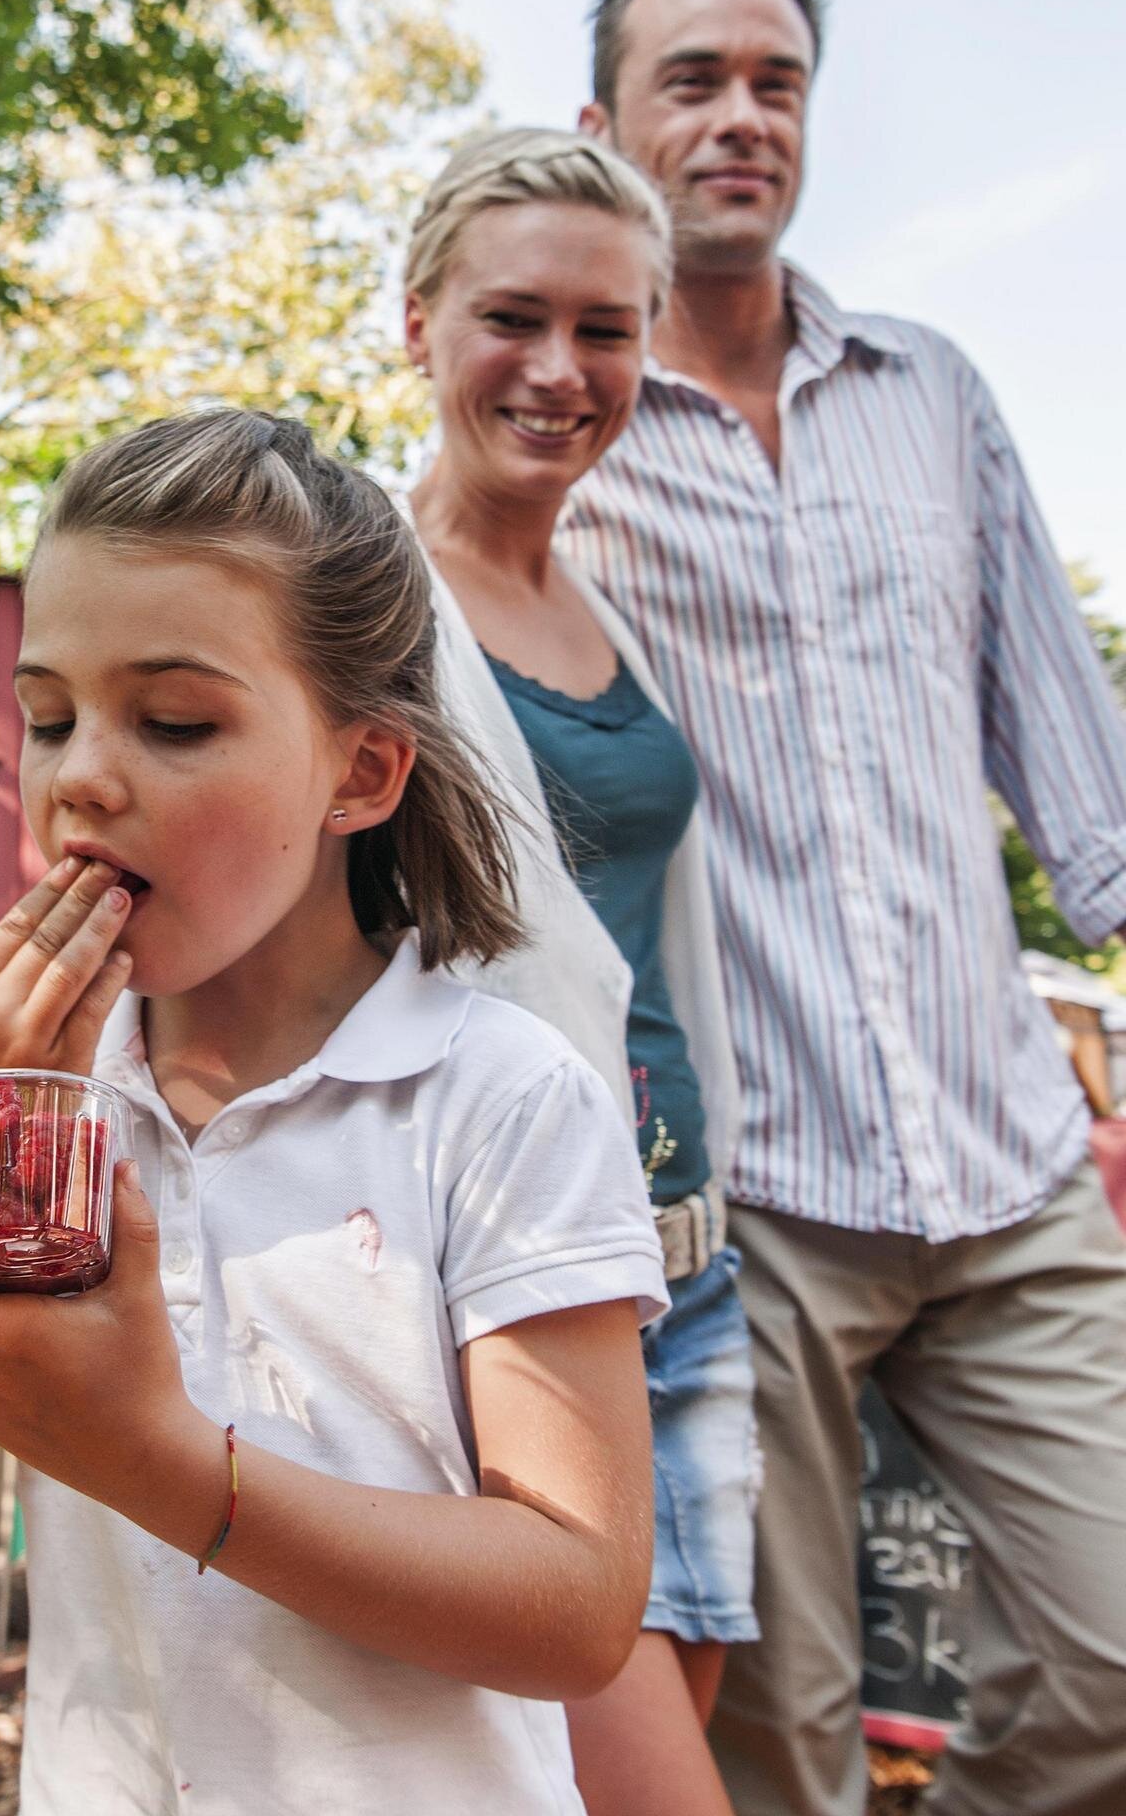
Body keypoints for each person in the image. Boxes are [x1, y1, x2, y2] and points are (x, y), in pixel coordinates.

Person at [0, 409, 671, 1814]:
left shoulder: (496, 1097)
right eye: (48, 716)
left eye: (176, 720)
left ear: (362, 773)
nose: (79, 773)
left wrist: (155, 1463)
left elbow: (575, 1607)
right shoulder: (34, 1114)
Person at [562, 0, 1126, 1816]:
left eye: (775, 82)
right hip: (754, 1196)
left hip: (1006, 1163)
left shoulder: (934, 392)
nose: (742, 117)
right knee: (775, 1743)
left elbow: (1073, 752)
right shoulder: (567, 427)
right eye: (694, 81)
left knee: (1117, 1653)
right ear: (607, 124)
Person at [403, 126, 753, 1816]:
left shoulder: (621, 608)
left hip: (693, 1264)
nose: (560, 370)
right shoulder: (358, 607)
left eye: (606, 331)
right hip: (525, 1295)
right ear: (418, 323)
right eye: (512, 318)